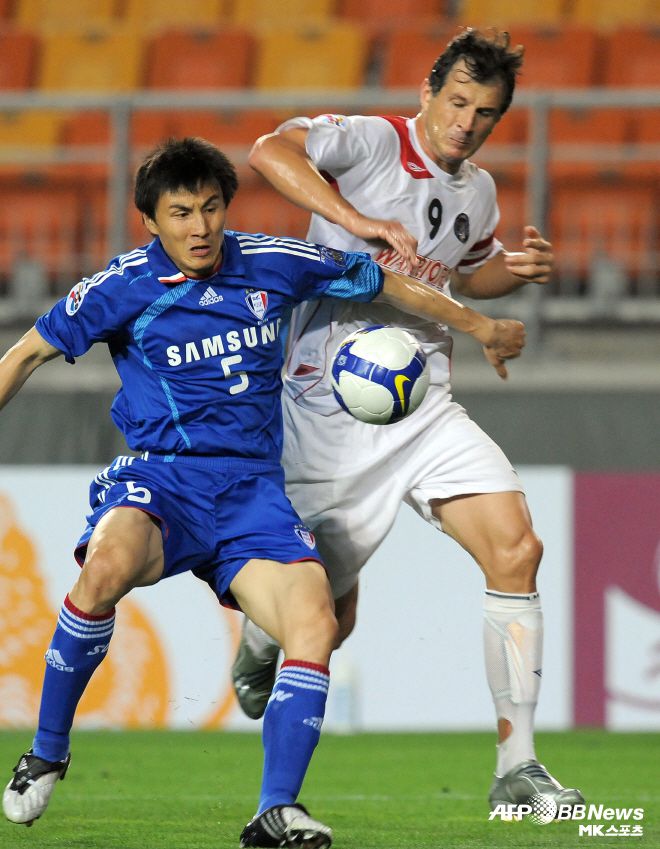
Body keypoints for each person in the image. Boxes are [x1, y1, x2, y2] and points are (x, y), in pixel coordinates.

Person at [0, 137, 525, 848]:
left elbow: (381, 280)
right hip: (162, 478)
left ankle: (275, 809)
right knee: (105, 566)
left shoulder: (273, 262)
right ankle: (48, 750)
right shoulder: (121, 287)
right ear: (150, 221)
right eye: (181, 212)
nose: (200, 227)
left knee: (316, 624)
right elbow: (27, 350)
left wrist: (480, 324)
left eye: (212, 207)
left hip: (253, 491)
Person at [229, 28, 585, 811]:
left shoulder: (479, 190)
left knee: (518, 547)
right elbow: (267, 151)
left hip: (422, 404)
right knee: (327, 614)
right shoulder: (369, 142)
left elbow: (463, 271)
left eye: (485, 113)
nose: (466, 123)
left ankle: (516, 769)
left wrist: (509, 276)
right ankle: (262, 641)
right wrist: (350, 219)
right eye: (457, 102)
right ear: (428, 92)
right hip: (327, 406)